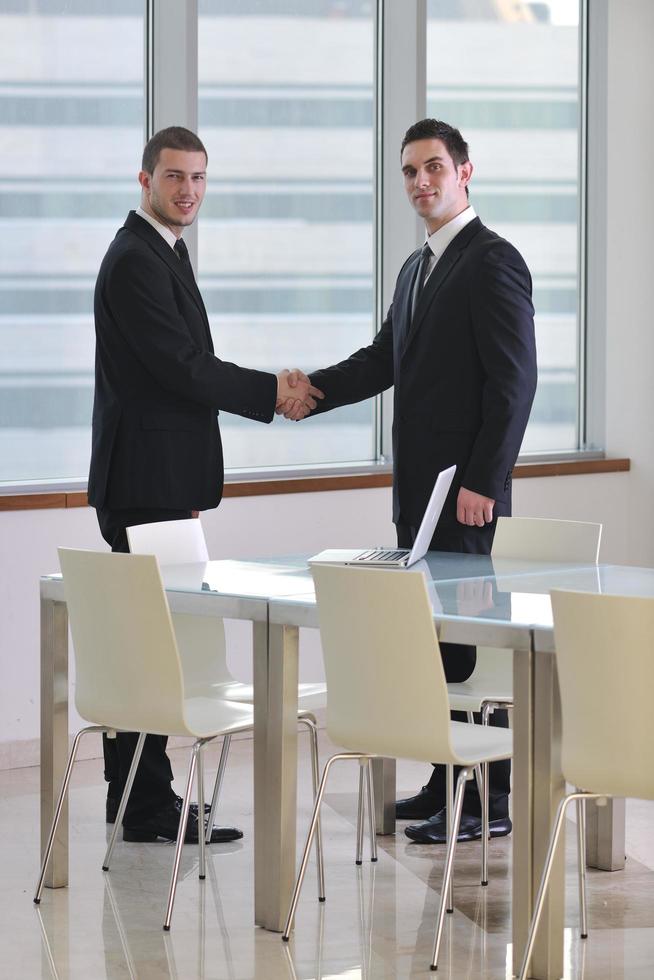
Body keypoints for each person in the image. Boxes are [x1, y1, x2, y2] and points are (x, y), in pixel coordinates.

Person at [281, 118, 537, 843]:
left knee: (472, 644)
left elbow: (515, 383)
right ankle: (443, 779)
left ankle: (488, 801)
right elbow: (381, 360)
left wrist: (486, 476)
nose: (420, 182)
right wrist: (306, 394)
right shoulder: (417, 267)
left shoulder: (492, 261)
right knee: (437, 646)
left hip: (469, 496)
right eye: (409, 172)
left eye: (433, 168)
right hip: (418, 498)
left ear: (464, 171)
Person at [88, 126, 322, 844]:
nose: (187, 190)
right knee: (150, 648)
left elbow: (181, 371)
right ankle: (148, 805)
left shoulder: (163, 252)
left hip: (158, 479)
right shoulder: (135, 260)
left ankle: (138, 799)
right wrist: (272, 391)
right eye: (173, 177)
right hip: (142, 483)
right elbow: (183, 367)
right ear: (144, 180)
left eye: (197, 178)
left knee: (148, 643)